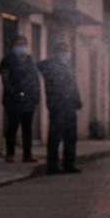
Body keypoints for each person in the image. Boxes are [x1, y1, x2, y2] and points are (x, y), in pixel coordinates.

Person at [37, 41, 82, 174]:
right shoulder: (49, 65)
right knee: (55, 136)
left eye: (66, 50)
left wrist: (77, 100)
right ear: (55, 53)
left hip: (70, 106)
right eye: (62, 51)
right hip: (57, 106)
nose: (65, 53)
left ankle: (69, 164)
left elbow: (73, 85)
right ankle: (53, 165)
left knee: (71, 136)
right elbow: (39, 67)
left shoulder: (67, 66)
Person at [0, 35, 41, 163]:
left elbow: (35, 77)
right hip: (13, 99)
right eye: (18, 44)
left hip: (28, 99)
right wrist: (1, 81)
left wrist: (35, 94)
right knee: (13, 126)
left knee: (27, 127)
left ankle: (27, 154)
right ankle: (10, 153)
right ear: (13, 45)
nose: (21, 47)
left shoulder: (30, 60)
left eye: (23, 44)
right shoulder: (7, 60)